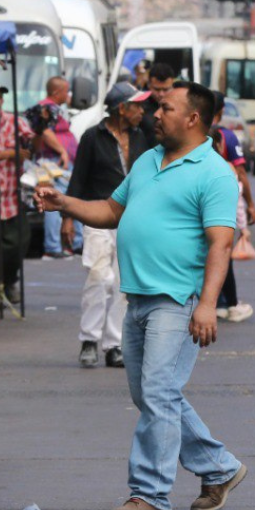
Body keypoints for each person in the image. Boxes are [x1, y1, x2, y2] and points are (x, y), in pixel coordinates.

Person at [36, 81, 246, 510]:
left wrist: (208, 305)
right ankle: (219, 467)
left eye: (165, 108)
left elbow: (221, 244)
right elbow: (112, 212)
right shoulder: (149, 159)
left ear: (193, 118)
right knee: (152, 395)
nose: (155, 115)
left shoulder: (214, 173)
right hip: (138, 299)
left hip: (177, 300)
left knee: (158, 393)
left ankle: (150, 495)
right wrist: (65, 204)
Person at [63, 82, 150, 369]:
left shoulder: (141, 136)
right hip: (98, 215)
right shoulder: (92, 137)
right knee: (99, 277)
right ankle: (89, 339)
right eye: (137, 106)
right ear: (122, 108)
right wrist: (68, 218)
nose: (142, 111)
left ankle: (114, 344)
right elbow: (78, 178)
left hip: (132, 219)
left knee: (124, 284)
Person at [0, 87, 41, 306]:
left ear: (2, 100)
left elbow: (34, 147)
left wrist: (40, 129)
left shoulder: (16, 123)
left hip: (13, 195)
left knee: (18, 242)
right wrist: (8, 154)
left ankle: (10, 282)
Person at [211, 90, 255, 323]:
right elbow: (241, 175)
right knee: (222, 256)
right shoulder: (226, 137)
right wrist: (250, 206)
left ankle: (217, 302)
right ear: (221, 111)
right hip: (222, 215)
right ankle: (228, 303)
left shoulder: (189, 134)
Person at [27, 76, 80, 258]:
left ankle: (70, 244)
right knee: (54, 202)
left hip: (59, 163)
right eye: (66, 91)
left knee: (68, 200)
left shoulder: (54, 108)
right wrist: (62, 151)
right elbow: (45, 132)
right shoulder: (45, 108)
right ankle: (53, 247)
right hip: (53, 163)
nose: (68, 95)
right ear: (57, 92)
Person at [137, 62, 177, 147]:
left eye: (165, 89)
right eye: (157, 89)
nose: (161, 94)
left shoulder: (180, 105)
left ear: (172, 86)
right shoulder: (139, 106)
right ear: (149, 85)